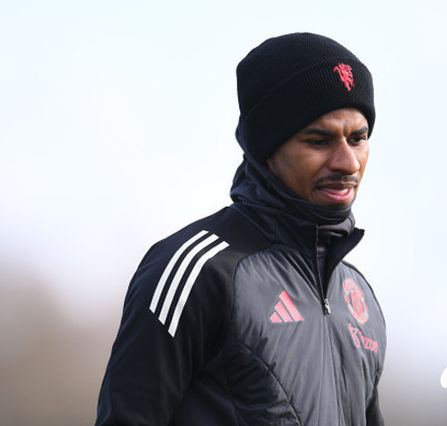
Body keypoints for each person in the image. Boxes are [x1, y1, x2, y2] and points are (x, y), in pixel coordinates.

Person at [96, 32, 386, 426]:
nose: (348, 162)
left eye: (358, 138)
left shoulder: (359, 299)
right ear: (266, 150)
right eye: (319, 141)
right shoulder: (197, 270)